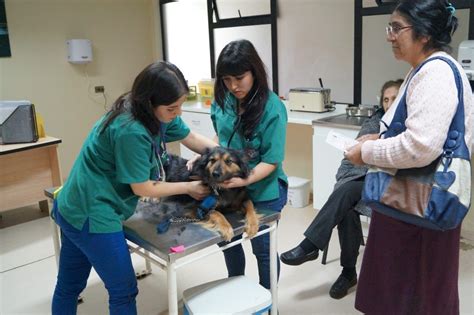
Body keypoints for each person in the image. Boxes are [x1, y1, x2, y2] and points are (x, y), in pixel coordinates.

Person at [51, 61, 217, 314]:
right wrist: (190, 187)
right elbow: (142, 187)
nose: (178, 113)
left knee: (69, 286)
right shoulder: (130, 129)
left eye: (181, 105)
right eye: (173, 108)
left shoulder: (156, 114)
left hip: (73, 204)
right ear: (149, 102)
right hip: (92, 212)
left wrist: (222, 155)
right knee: (123, 290)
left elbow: (190, 137)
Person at [345, 1, 473, 314]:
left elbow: (420, 147)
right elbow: (419, 134)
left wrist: (367, 151)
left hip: (417, 205)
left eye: (397, 28)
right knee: (411, 291)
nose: (389, 35)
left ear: (425, 34)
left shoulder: (436, 73)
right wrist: (379, 138)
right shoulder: (425, 70)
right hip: (411, 202)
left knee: (411, 295)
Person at [280, 79, 403, 299]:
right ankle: (347, 272)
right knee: (346, 198)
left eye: (395, 98)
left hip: (394, 188)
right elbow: (348, 161)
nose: (389, 103)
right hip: (362, 183)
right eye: (386, 99)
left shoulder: (410, 126)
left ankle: (320, 252)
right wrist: (350, 174)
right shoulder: (373, 123)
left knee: (346, 198)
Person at [211, 39, 288, 290]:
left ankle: (268, 304)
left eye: (239, 78)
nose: (233, 86)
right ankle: (238, 293)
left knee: (263, 249)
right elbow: (220, 137)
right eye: (226, 80)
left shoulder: (272, 107)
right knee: (228, 241)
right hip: (229, 188)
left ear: (254, 71)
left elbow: (272, 160)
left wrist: (244, 180)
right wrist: (208, 155)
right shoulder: (222, 101)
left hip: (264, 188)